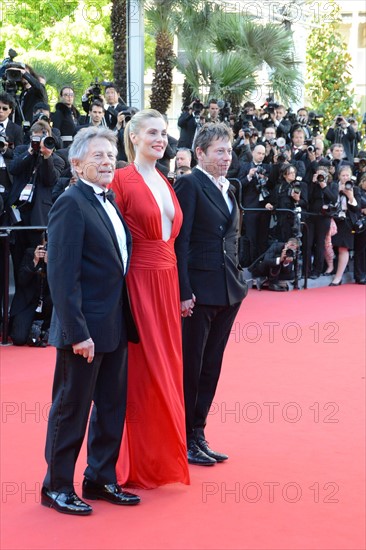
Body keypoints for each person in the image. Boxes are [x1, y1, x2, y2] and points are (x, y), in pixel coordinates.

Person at [41, 126, 140, 515]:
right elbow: (62, 277)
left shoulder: (108, 201)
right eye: (97, 156)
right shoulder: (70, 203)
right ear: (77, 163)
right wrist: (76, 332)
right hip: (83, 331)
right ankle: (57, 486)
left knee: (111, 407)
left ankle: (100, 478)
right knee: (71, 409)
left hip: (114, 324)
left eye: (110, 155)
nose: (106, 162)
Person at [111, 109, 189, 489]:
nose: (160, 138)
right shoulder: (121, 179)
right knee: (142, 371)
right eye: (153, 133)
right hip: (138, 281)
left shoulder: (164, 180)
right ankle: (134, 462)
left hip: (167, 282)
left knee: (168, 368)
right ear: (134, 137)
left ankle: (160, 460)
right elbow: (110, 239)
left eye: (164, 133)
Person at [174, 122, 248, 466]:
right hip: (199, 292)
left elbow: (231, 239)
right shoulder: (189, 184)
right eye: (219, 151)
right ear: (199, 153)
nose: (226, 157)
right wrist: (183, 289)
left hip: (228, 291)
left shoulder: (229, 188)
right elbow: (181, 239)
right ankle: (185, 437)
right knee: (192, 366)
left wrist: (240, 279)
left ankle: (200, 434)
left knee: (212, 367)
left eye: (229, 151)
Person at [329, 165, 360, 286]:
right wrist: (337, 192)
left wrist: (350, 196)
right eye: (343, 175)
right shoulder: (333, 186)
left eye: (348, 175)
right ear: (339, 176)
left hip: (346, 221)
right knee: (328, 245)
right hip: (332, 219)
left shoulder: (355, 189)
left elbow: (356, 208)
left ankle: (338, 277)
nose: (346, 177)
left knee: (343, 247)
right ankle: (329, 269)